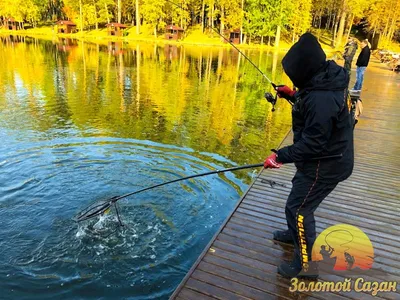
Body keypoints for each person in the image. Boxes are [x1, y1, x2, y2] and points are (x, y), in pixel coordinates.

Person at [263, 33, 354, 279]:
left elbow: (313, 143)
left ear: (305, 69)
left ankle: (306, 266)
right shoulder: (324, 81)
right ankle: (295, 237)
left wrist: (278, 156)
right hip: (323, 159)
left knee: (299, 211)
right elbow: (313, 107)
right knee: (297, 201)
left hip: (326, 164)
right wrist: (292, 95)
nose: (294, 78)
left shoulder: (321, 97)